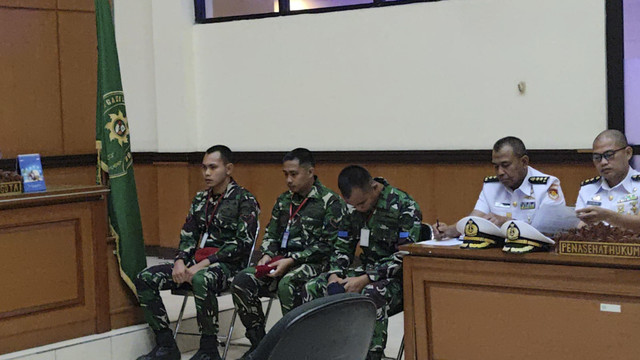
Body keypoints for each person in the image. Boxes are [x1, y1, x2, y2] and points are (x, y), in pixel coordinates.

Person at [134, 145, 260, 360]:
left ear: (228, 169)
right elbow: (188, 235)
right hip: (194, 263)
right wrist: (180, 262)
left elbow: (242, 244)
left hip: (227, 266)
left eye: (213, 167)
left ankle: (209, 349)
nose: (207, 173)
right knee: (145, 278)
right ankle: (166, 345)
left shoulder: (244, 200)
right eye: (204, 168)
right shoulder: (201, 199)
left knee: (201, 278)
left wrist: (203, 264)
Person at [231, 148, 346, 359]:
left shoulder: (330, 201)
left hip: (314, 262)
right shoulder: (284, 200)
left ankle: (296, 348)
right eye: (285, 174)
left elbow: (327, 245)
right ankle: (260, 345)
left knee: (289, 284)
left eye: (294, 174)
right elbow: (271, 233)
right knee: (242, 281)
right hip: (280, 261)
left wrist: (292, 260)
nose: (289, 180)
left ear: (310, 172)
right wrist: (266, 255)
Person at [302, 165, 422, 360]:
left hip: (395, 278)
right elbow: (342, 246)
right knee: (313, 287)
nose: (358, 209)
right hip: (362, 271)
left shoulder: (403, 205)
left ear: (373, 187)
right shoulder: (352, 210)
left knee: (370, 293)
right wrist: (335, 274)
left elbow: (405, 255)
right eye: (353, 205)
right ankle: (322, 350)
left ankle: (371, 355)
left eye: (362, 203)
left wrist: (367, 278)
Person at [434, 136, 565, 238]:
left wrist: (507, 222)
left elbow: (550, 231)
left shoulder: (547, 185)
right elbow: (475, 219)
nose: (500, 172)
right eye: (496, 166)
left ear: (524, 162)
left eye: (505, 165)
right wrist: (448, 230)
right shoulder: (491, 186)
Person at [575, 129, 640, 231]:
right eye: (597, 157)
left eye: (609, 155)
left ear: (628, 153)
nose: (603, 162)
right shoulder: (588, 188)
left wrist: (607, 216)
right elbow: (580, 227)